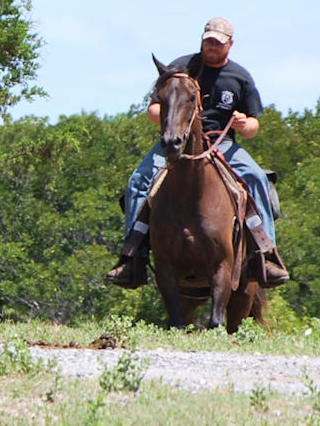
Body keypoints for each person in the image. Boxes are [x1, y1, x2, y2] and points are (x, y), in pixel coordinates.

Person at [106, 17, 288, 288]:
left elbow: (253, 125)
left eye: (218, 42)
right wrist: (168, 114)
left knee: (257, 179)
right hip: (176, 143)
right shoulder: (180, 68)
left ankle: (266, 254)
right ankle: (131, 258)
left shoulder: (239, 77)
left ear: (230, 44)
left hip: (221, 143)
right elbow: (153, 110)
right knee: (137, 182)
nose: (212, 46)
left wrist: (242, 123)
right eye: (208, 41)